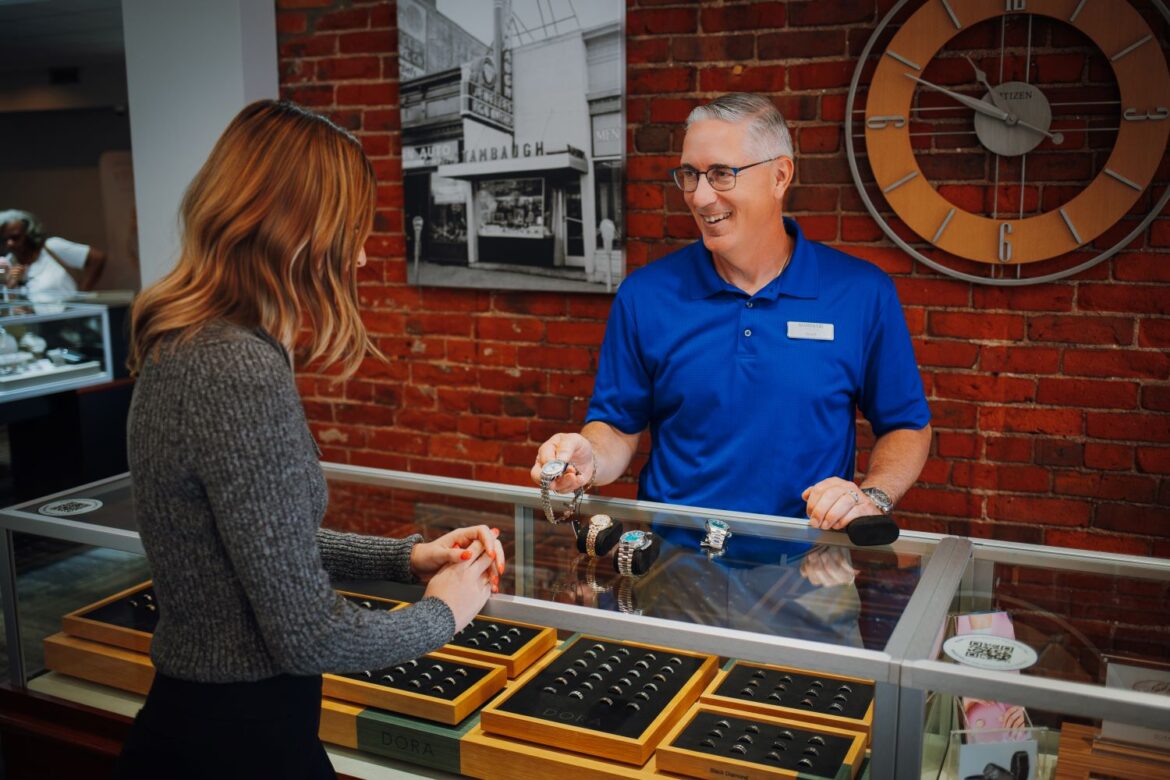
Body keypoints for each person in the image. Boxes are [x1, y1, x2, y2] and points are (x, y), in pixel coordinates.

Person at [115, 100, 505, 780]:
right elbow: (308, 634)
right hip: (239, 742)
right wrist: (444, 612)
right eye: (350, 231)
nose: (358, 255)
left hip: (201, 726)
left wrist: (405, 557)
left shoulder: (188, 344)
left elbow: (258, 542)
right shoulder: (235, 367)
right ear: (296, 232)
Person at [532, 92, 931, 532]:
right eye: (690, 174)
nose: (701, 197)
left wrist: (871, 497)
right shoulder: (645, 295)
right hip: (675, 566)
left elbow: (906, 426)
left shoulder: (861, 292)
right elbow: (618, 426)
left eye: (722, 174)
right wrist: (589, 457)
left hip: (811, 569)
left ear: (780, 176)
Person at [0, 209, 107, 294]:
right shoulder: (7, 263)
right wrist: (11, 284)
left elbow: (97, 258)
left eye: (15, 237)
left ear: (28, 234)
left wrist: (81, 296)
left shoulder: (52, 247)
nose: (9, 243)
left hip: (69, 318)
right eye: (4, 239)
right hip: (35, 321)